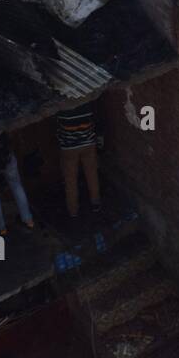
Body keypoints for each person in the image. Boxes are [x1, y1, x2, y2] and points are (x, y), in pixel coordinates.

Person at [56, 101, 109, 251]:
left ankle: (73, 211)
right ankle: (96, 203)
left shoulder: (62, 109)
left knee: (70, 180)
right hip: (88, 143)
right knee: (92, 174)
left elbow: (59, 127)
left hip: (69, 148)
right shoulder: (86, 105)